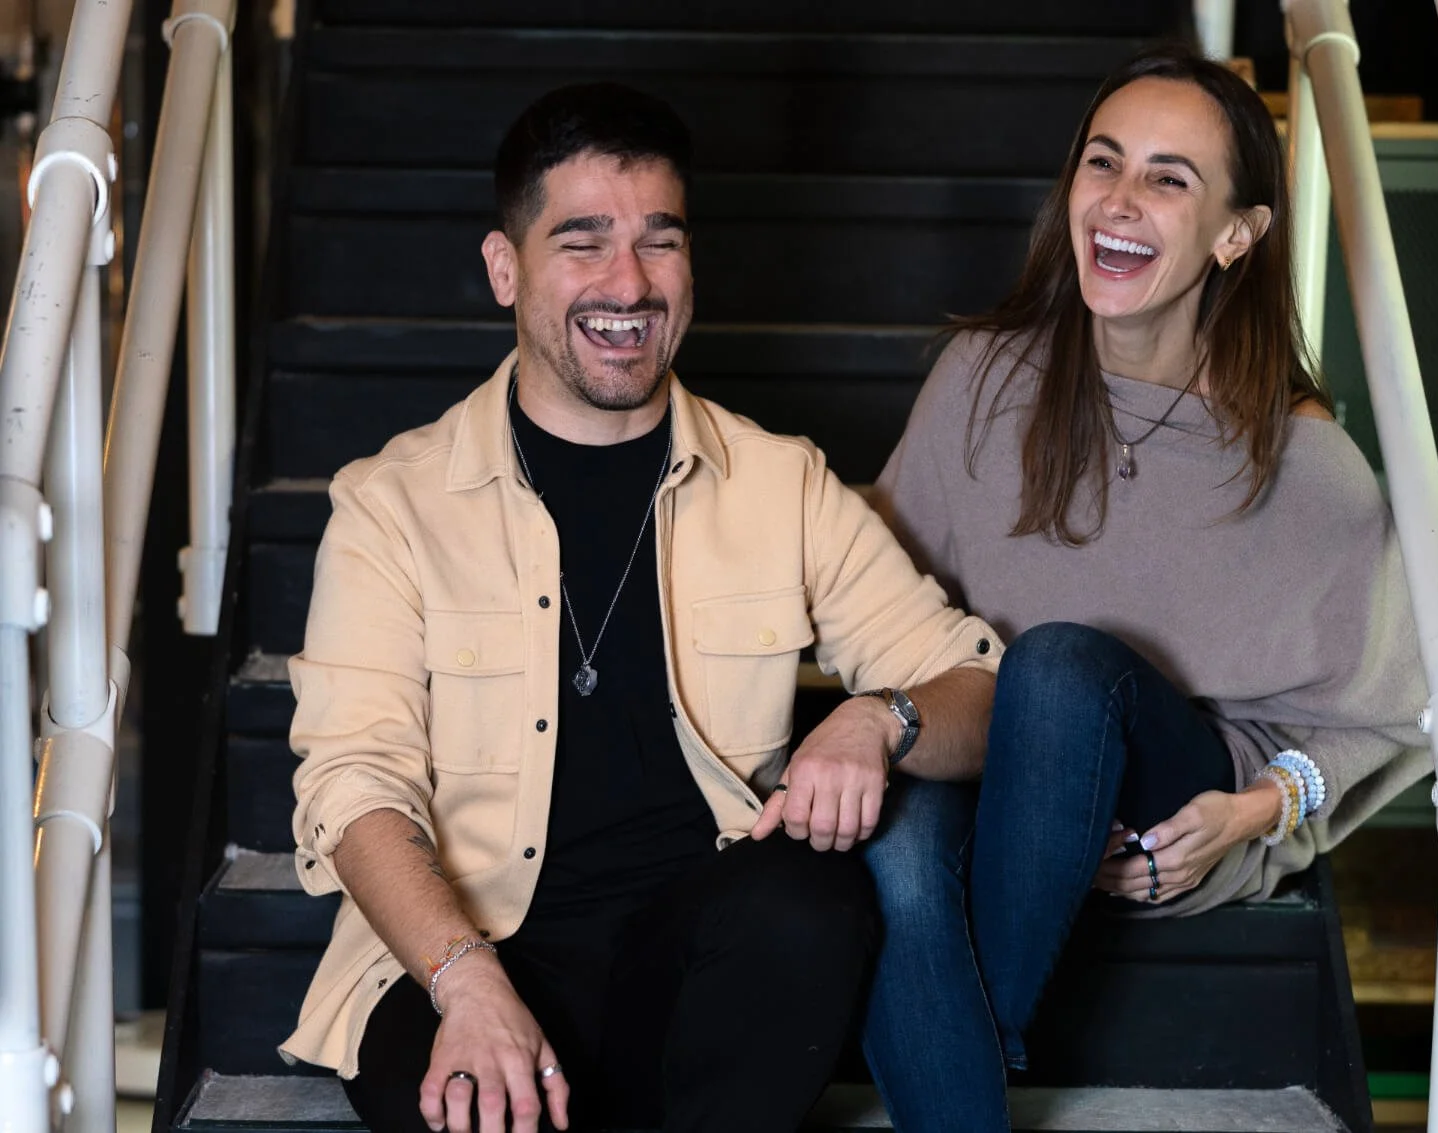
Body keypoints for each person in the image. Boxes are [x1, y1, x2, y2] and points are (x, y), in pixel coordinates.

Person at [276, 82, 1001, 1133]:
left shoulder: (781, 482)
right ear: (502, 268)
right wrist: (466, 981)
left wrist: (879, 716)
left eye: (659, 241)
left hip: (694, 960)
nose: (629, 281)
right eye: (582, 242)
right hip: (470, 955)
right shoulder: (390, 506)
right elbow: (352, 783)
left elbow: (974, 683)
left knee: (809, 896)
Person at [859, 45, 1431, 1132]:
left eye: (1168, 179)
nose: (1118, 201)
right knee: (898, 849)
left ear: (1237, 233)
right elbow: (874, 579)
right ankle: (970, 1071)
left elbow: (1385, 717)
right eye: (1102, 163)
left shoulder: (1304, 466)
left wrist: (1251, 812)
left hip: (1169, 799)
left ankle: (966, 1026)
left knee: (1063, 660)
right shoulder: (985, 378)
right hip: (988, 758)